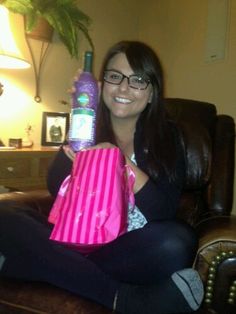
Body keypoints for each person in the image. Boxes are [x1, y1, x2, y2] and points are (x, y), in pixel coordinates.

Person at [0, 41, 204, 314]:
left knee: (176, 243)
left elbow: (162, 211)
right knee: (4, 213)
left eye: (138, 80)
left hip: (127, 249)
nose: (123, 87)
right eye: (114, 76)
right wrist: (81, 118)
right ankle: (123, 298)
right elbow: (55, 185)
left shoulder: (168, 137)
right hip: (74, 237)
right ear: (101, 84)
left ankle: (27, 263)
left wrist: (119, 160)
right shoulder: (88, 127)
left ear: (152, 93)